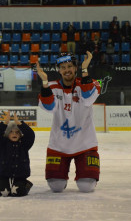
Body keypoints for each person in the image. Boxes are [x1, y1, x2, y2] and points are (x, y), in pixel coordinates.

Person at [36, 51, 101, 193]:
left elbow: (88, 98)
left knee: (86, 187)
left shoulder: (91, 83)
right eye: (63, 67)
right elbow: (49, 107)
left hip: (85, 144)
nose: (67, 70)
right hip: (59, 145)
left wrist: (85, 69)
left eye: (70, 66)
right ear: (59, 70)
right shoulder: (52, 87)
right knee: (56, 186)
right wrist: (45, 82)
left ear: (75, 68)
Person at [0, 111, 35, 197]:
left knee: (17, 192)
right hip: (5, 176)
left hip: (20, 176)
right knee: (3, 193)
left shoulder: (24, 144)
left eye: (17, 132)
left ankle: (26, 185)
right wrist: (5, 123)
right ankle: (7, 184)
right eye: (11, 132)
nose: (14, 134)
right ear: (7, 134)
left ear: (20, 134)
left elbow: (31, 135)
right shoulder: (2, 144)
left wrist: (19, 123)